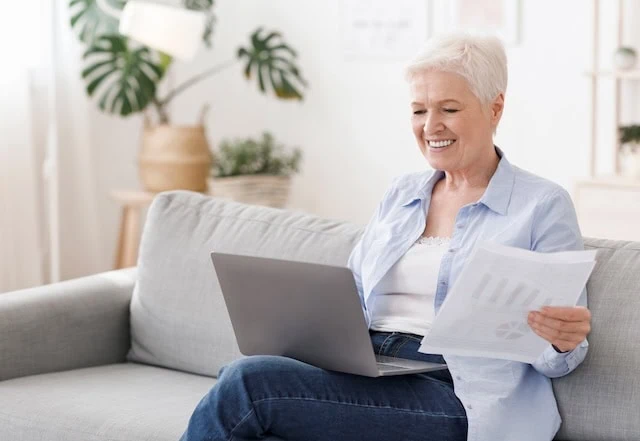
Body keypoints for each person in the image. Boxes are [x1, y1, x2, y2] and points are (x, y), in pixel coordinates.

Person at [179, 32, 592, 441]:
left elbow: (563, 355)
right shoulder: (401, 194)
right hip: (370, 368)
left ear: (495, 107)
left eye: (448, 108)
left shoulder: (541, 205)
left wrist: (560, 342)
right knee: (251, 383)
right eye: (418, 110)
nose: (431, 126)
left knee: (249, 385)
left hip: (457, 393)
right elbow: (353, 295)